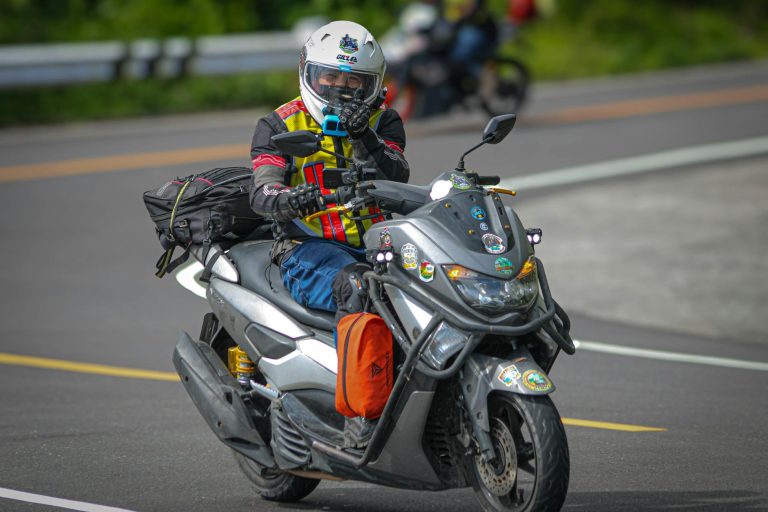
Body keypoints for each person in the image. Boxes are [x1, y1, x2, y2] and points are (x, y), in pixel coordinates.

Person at [248, 20, 409, 322]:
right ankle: (354, 371)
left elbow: (397, 175)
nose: (340, 87)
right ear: (309, 72)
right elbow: (262, 191)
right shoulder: (277, 124)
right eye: (330, 76)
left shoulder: (383, 121)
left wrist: (363, 135)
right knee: (361, 288)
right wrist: (291, 199)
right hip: (306, 248)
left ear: (372, 84)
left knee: (440, 282)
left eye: (353, 81)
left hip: (380, 243)